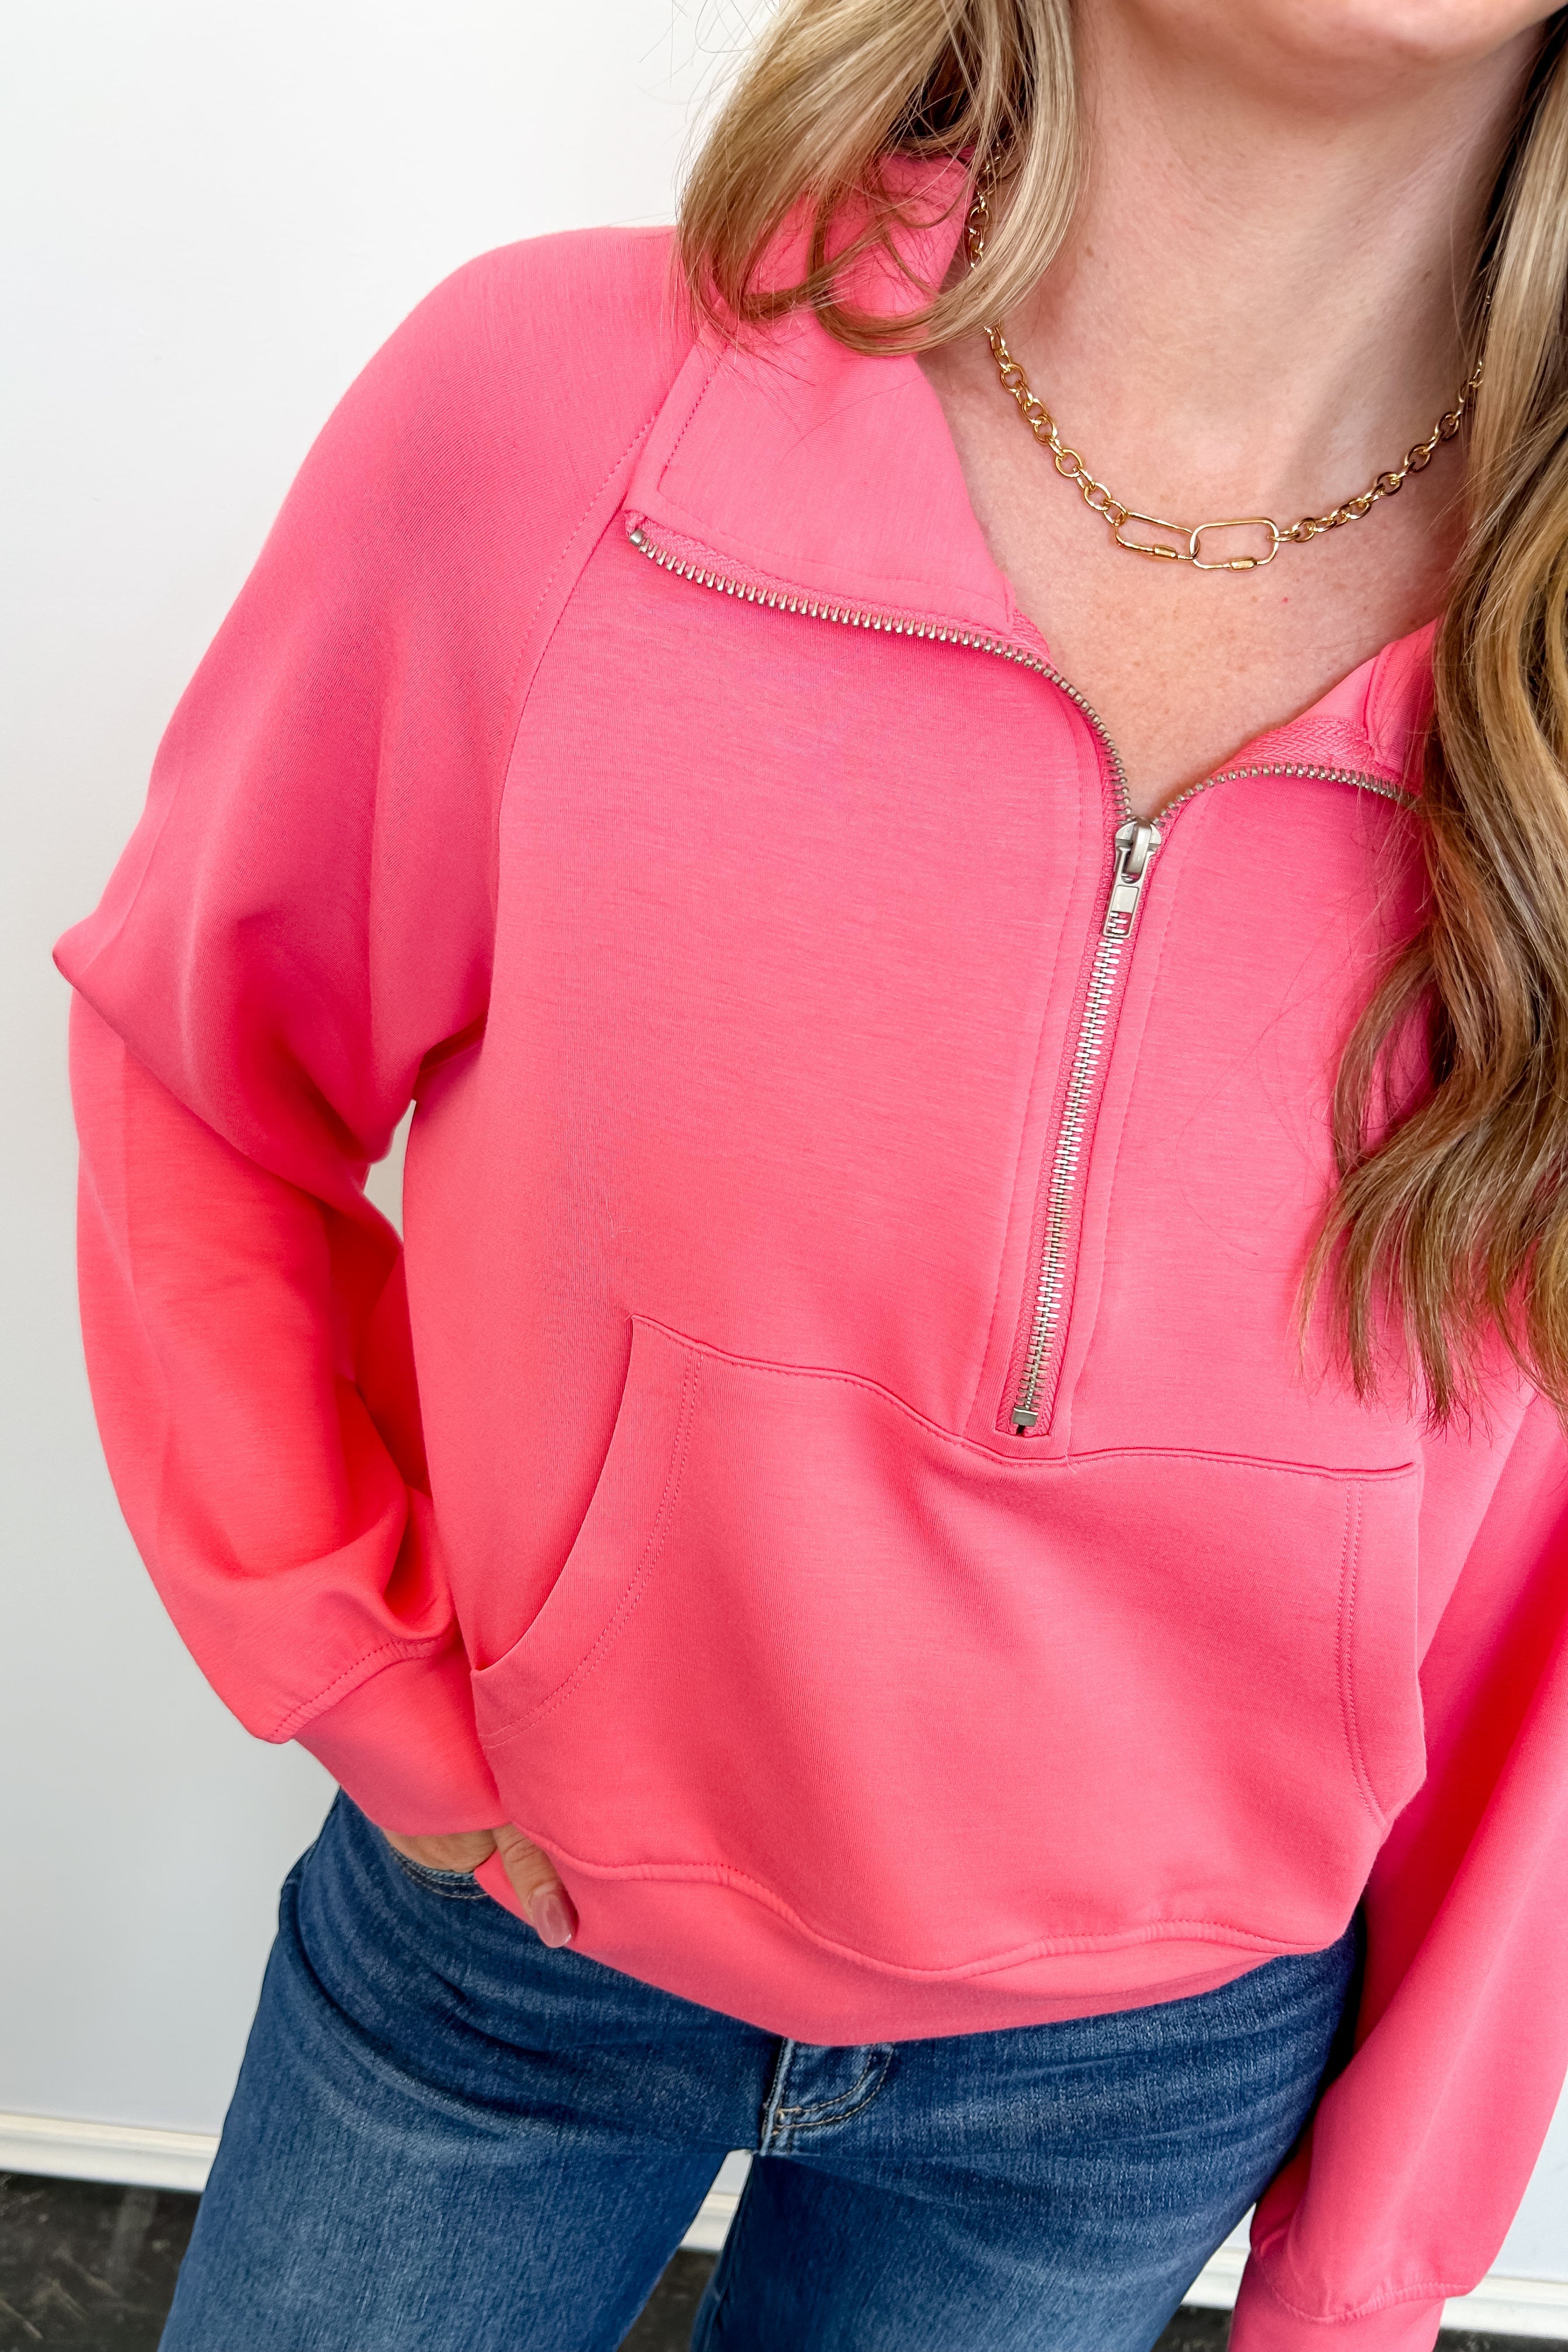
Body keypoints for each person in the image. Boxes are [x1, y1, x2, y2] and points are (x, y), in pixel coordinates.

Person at [55, 0, 1568, 2345]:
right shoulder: (562, 408)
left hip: (1137, 2074)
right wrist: (349, 1659)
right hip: (511, 1942)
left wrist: (1371, 2259)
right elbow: (204, 1053)